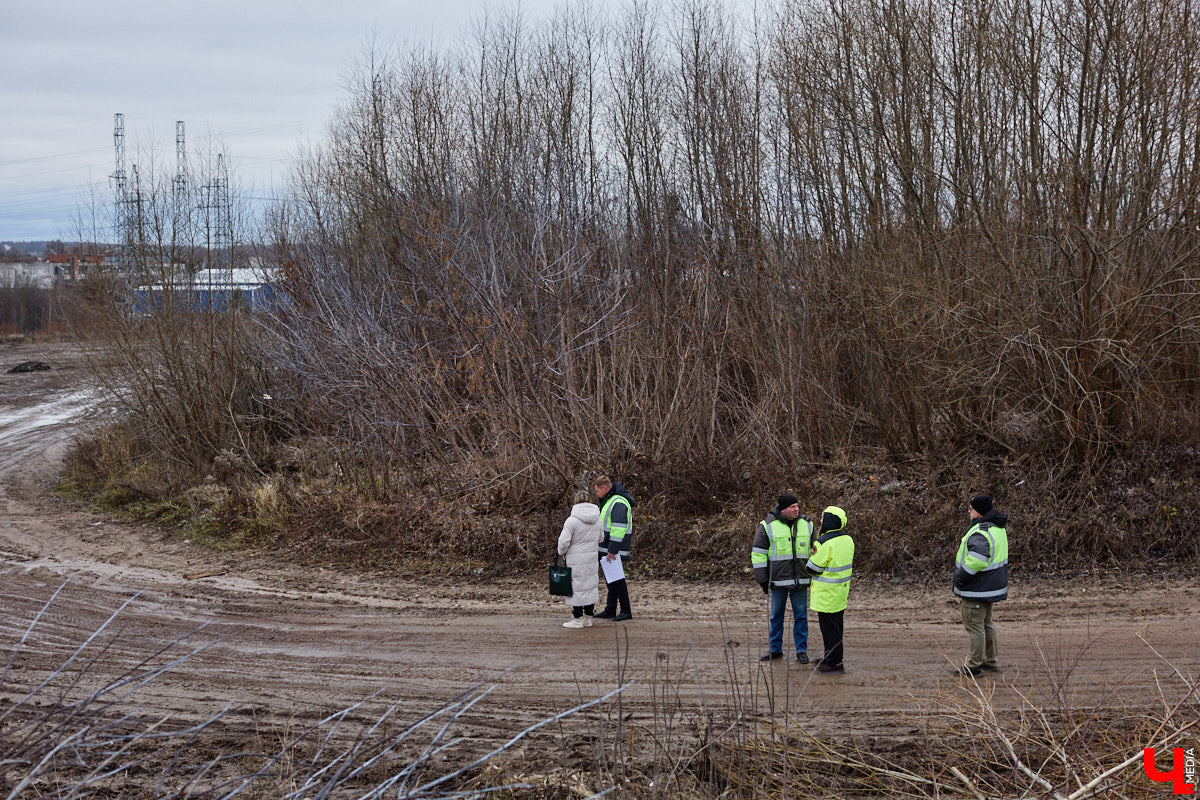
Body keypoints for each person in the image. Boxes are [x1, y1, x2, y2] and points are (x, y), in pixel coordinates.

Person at [751, 493, 814, 663]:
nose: (796, 509)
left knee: (800, 616)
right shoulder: (767, 526)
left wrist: (814, 575)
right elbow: (758, 554)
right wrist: (762, 580)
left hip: (800, 580)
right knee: (776, 616)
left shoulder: (807, 525)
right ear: (783, 509)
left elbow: (815, 552)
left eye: (797, 506)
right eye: (792, 507)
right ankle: (775, 649)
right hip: (777, 581)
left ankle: (801, 651)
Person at [952, 494, 1009, 676]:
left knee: (975, 627)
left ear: (980, 511)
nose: (969, 510)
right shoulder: (997, 528)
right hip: (990, 587)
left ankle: (974, 665)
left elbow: (977, 561)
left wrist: (961, 578)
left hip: (976, 588)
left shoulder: (980, 532)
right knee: (987, 624)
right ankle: (989, 661)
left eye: (971, 508)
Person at [805, 506, 853, 674]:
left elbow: (812, 568)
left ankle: (834, 662)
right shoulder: (847, 539)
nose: (820, 520)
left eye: (822, 517)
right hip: (840, 592)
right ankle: (831, 657)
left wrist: (810, 555)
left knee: (829, 629)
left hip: (826, 593)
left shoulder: (823, 542)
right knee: (837, 627)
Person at [557, 488, 603, 628]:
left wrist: (561, 552)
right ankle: (588, 617)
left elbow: (563, 542)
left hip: (575, 559)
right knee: (589, 585)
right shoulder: (597, 519)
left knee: (576, 586)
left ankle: (577, 618)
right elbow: (601, 538)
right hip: (591, 557)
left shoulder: (571, 521)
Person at [591, 475, 635, 621]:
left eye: (597, 491)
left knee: (617, 580)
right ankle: (610, 609)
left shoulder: (618, 502)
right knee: (612, 580)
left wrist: (613, 549)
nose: (597, 494)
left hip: (614, 548)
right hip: (608, 547)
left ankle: (625, 610)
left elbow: (618, 528)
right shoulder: (611, 500)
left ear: (605, 488)